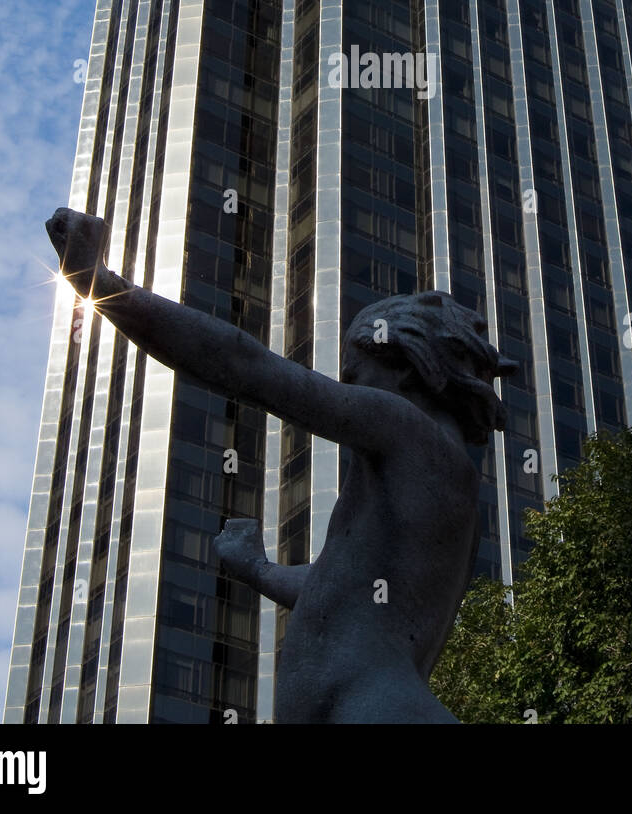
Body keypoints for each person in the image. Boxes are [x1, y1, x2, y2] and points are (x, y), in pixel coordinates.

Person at [45, 206, 516, 724]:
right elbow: (344, 587)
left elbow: (243, 364)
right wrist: (259, 569)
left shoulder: (402, 424)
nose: (349, 390)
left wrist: (98, 284)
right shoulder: (447, 488)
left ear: (407, 366)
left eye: (354, 377)